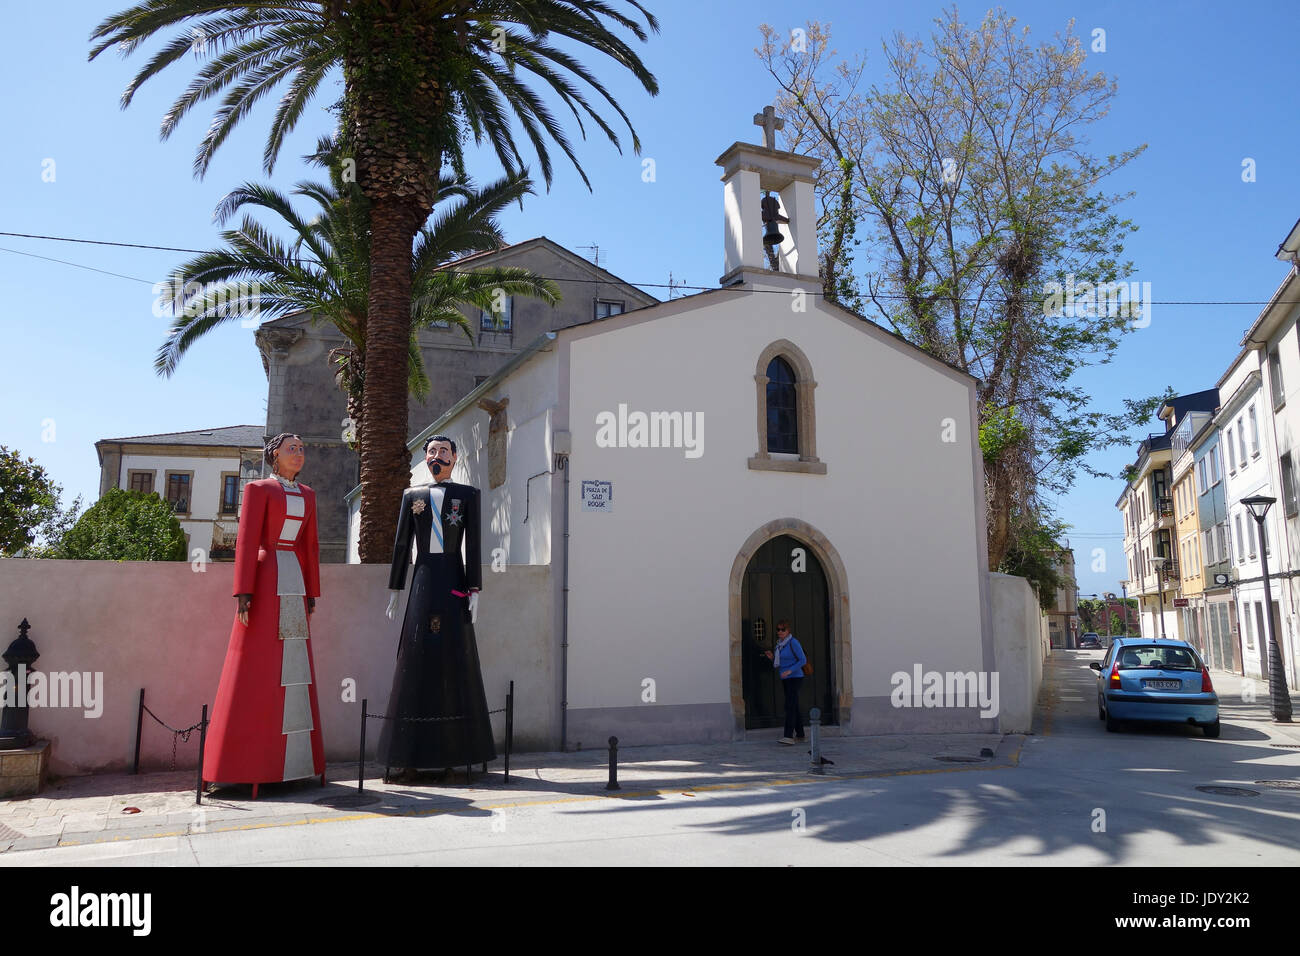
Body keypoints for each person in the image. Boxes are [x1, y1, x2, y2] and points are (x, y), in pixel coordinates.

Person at [203, 433, 325, 798]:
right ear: (274, 456)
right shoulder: (258, 489)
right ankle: (248, 763)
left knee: (295, 664)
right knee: (259, 664)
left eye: (301, 449)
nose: (298, 454)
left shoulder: (308, 495)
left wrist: (312, 592)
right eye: (292, 449)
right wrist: (244, 590)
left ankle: (295, 762)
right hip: (267, 576)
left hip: (294, 579)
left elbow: (310, 545)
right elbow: (245, 540)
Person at [379, 435, 495, 779]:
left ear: (455, 457)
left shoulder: (467, 495)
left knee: (454, 657)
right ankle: (409, 756)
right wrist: (395, 589)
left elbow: (473, 545)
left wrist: (474, 589)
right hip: (423, 578)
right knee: (415, 657)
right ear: (425, 458)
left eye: (444, 451)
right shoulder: (412, 496)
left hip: (453, 578)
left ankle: (454, 754)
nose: (437, 456)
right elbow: (402, 544)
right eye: (432, 451)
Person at [764, 619, 807, 745]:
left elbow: (803, 660)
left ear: (788, 631)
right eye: (778, 629)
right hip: (786, 679)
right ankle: (801, 735)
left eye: (783, 629)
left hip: (795, 677)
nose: (780, 632)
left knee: (790, 706)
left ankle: (788, 736)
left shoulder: (793, 642)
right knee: (794, 705)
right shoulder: (779, 645)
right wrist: (772, 658)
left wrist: (790, 670)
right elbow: (780, 663)